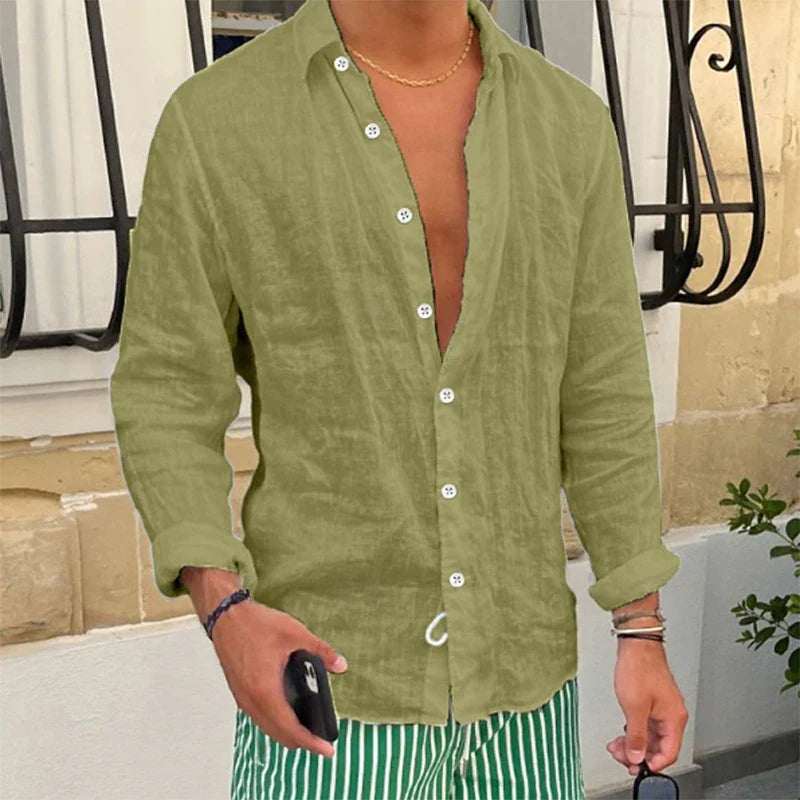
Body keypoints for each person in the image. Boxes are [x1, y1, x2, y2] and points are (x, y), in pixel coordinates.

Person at [109, 0, 689, 797]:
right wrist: (224, 609)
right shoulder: (218, 122)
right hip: (331, 691)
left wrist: (641, 627)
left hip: (523, 687)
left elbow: (603, 390)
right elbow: (168, 386)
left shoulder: (569, 124)